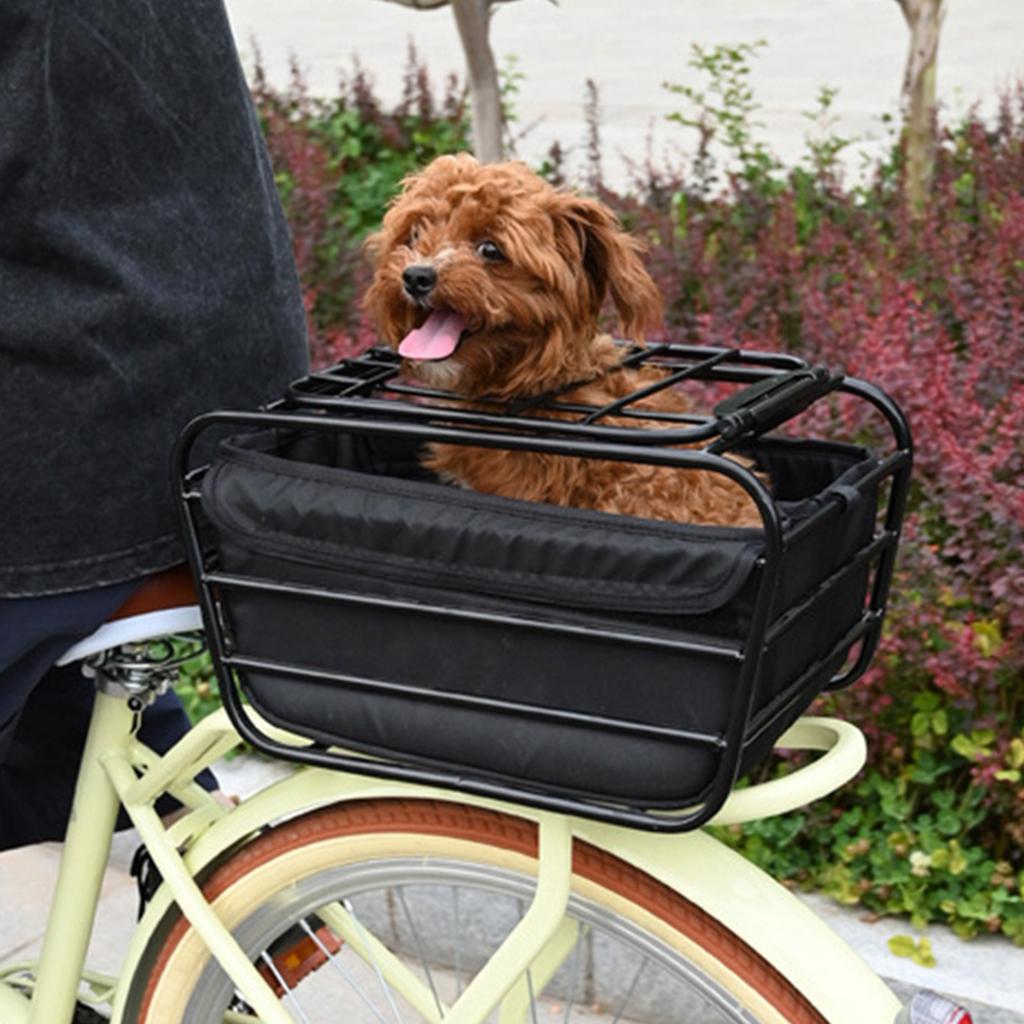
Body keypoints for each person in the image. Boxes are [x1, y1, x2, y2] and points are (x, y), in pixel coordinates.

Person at [0, 0, 310, 849]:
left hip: (90, 403)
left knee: (43, 590)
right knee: (54, 668)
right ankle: (243, 906)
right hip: (236, 391)